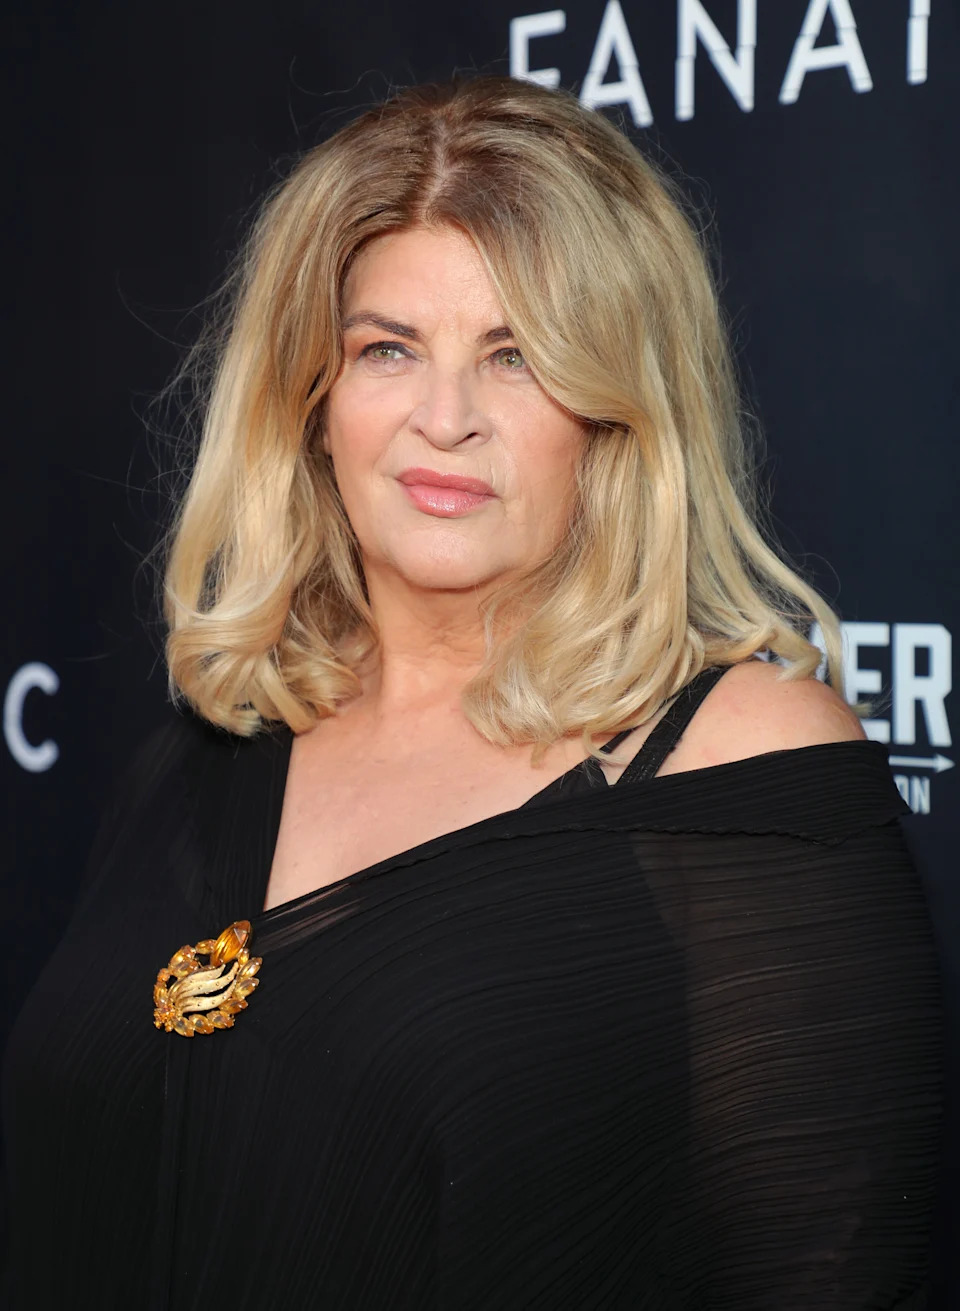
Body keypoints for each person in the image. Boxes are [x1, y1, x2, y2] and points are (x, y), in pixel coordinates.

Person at [0, 74, 943, 1309]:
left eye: (517, 358)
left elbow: (828, 1272)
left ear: (616, 413)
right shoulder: (217, 739)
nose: (445, 420)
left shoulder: (738, 761)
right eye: (388, 349)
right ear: (310, 400)